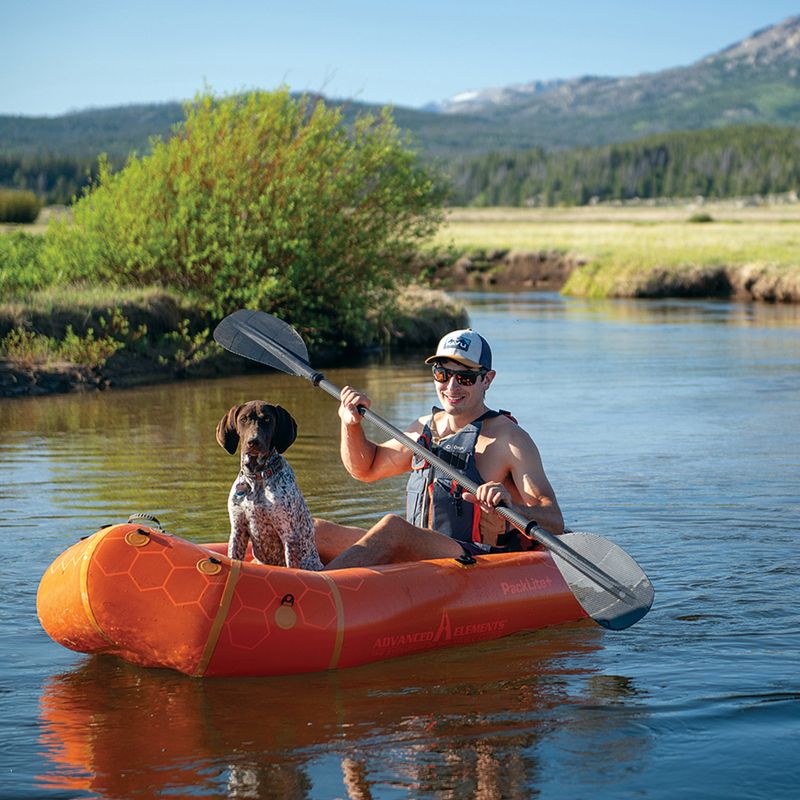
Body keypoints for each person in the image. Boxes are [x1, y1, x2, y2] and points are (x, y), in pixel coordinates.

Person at [315, 329, 563, 569]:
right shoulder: (423, 428)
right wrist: (351, 425)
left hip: (476, 559)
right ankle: (292, 589)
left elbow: (554, 520)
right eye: (442, 374)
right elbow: (365, 469)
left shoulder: (510, 440)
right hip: (420, 551)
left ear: (487, 379)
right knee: (313, 530)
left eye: (464, 377)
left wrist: (510, 507)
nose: (451, 387)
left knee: (393, 528)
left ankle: (318, 595)